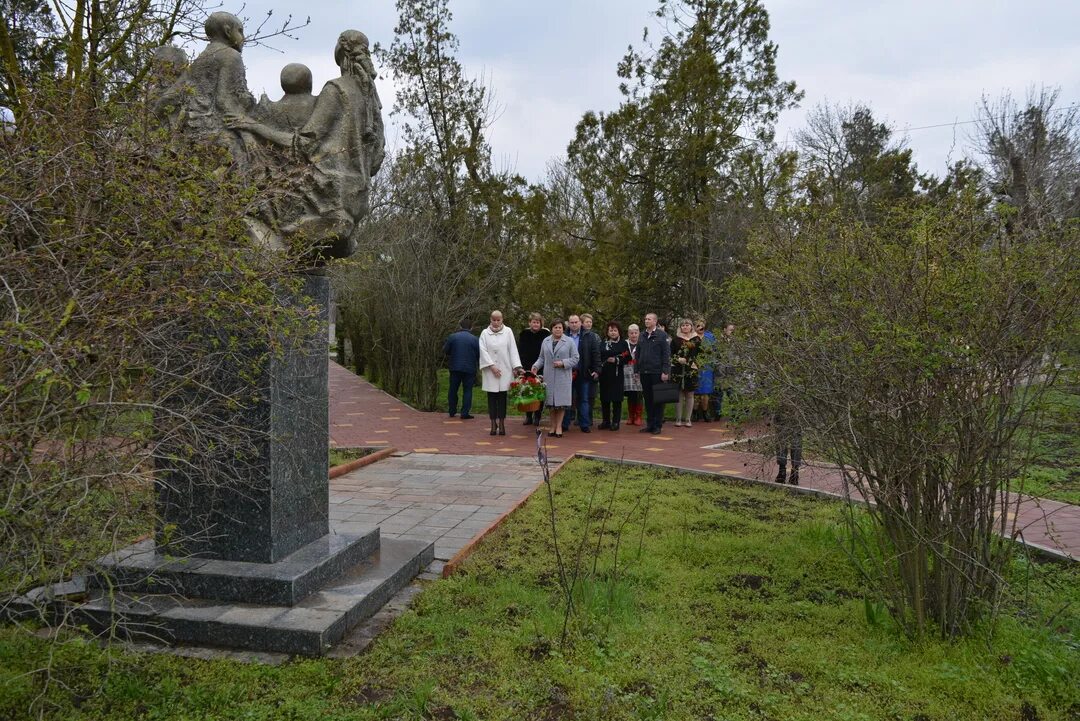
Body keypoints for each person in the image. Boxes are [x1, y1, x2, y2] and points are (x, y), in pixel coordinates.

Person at [531, 319, 578, 438]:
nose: (558, 329)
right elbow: (541, 358)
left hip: (563, 377)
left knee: (561, 404)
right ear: (551, 329)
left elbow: (576, 358)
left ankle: (559, 427)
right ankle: (552, 426)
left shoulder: (569, 341)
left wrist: (563, 363)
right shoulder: (546, 341)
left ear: (563, 329)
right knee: (551, 404)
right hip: (549, 377)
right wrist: (536, 366)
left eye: (560, 327)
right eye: (555, 327)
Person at [478, 310, 523, 436]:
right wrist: (491, 366)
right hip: (490, 371)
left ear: (502, 319)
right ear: (490, 320)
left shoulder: (508, 331)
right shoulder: (484, 333)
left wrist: (517, 367)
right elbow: (483, 350)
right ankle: (493, 423)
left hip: (505, 370)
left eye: (498, 320)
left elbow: (512, 349)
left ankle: (502, 423)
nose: (496, 323)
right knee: (491, 398)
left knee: (502, 398)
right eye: (494, 320)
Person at [562, 314, 601, 433]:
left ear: (580, 323)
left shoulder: (589, 336)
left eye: (576, 322)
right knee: (567, 399)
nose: (574, 324)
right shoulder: (563, 336)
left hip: (583, 372)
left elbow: (596, 354)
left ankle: (584, 424)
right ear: (568, 323)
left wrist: (597, 369)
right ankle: (565, 424)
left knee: (584, 399)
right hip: (567, 372)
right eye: (571, 322)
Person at [637, 313, 671, 435]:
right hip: (644, 372)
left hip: (657, 372)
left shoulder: (662, 335)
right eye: (645, 319)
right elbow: (638, 354)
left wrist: (665, 371)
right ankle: (650, 424)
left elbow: (666, 354)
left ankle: (657, 425)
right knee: (648, 399)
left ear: (655, 321)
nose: (646, 321)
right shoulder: (642, 335)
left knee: (658, 400)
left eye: (649, 319)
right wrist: (637, 370)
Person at [516, 312, 550, 426]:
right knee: (527, 391)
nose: (535, 324)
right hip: (526, 366)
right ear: (530, 323)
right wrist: (520, 366)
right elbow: (520, 350)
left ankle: (538, 415)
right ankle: (528, 416)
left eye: (538, 322)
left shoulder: (546, 334)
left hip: (541, 366)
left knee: (539, 392)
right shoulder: (524, 334)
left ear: (541, 323)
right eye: (533, 322)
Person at [442, 318, 479, 420]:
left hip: (455, 367)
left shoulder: (452, 337)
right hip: (469, 368)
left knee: (453, 389)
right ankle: (465, 413)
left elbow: (445, 350)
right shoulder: (475, 339)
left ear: (460, 326)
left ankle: (452, 411)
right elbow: (479, 354)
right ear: (471, 327)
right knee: (467, 390)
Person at [598, 322, 630, 430]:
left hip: (617, 375)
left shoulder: (623, 343)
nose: (613, 332)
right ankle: (605, 421)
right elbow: (598, 356)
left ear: (619, 332)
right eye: (611, 330)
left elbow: (628, 358)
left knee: (616, 399)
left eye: (615, 330)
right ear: (607, 332)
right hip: (605, 375)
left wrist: (616, 360)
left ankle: (616, 422)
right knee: (605, 399)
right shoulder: (603, 343)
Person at [671, 318, 701, 427]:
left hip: (691, 369)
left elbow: (701, 354)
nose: (685, 327)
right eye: (683, 325)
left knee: (690, 394)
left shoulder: (696, 339)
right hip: (678, 369)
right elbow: (671, 354)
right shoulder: (676, 340)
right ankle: (678, 419)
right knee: (679, 394)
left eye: (687, 325)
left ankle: (688, 419)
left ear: (691, 326)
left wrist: (696, 363)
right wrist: (678, 359)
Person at [693, 319, 715, 422]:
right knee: (695, 391)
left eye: (702, 325)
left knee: (705, 391)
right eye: (698, 325)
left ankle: (705, 413)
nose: (700, 327)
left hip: (707, 366)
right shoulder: (692, 337)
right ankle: (695, 413)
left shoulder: (710, 336)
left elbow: (715, 350)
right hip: (694, 365)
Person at [774, 410, 802, 486]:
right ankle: (795, 473)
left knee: (781, 440)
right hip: (797, 409)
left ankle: (782, 472)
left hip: (782, 408)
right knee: (796, 441)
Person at [623, 323, 644, 425]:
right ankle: (631, 415)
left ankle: (638, 416)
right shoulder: (624, 343)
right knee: (631, 394)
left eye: (636, 333)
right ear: (628, 334)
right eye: (631, 333)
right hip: (627, 371)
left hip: (639, 371)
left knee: (639, 394)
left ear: (639, 333)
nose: (634, 335)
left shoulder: (642, 343)